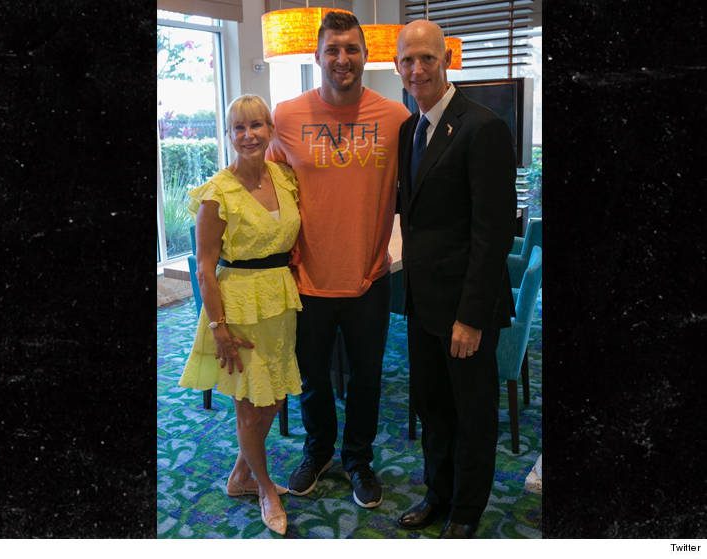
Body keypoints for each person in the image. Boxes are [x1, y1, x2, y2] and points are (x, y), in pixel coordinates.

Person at [266, 12, 410, 509]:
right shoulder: (286, 115)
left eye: (351, 49)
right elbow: (271, 193)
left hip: (370, 277)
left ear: (367, 56)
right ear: (318, 56)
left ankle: (359, 460)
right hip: (306, 278)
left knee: (367, 379)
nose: (342, 59)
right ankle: (318, 451)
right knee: (313, 380)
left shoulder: (396, 118)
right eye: (333, 49)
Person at [393, 20, 517, 538]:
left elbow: (493, 235)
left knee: (472, 414)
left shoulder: (482, 127)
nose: (417, 69)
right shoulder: (409, 129)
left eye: (428, 58)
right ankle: (437, 494)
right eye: (408, 60)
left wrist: (470, 317)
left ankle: (466, 511)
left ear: (447, 61)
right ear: (397, 66)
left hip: (466, 310)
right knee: (433, 408)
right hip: (422, 304)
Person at [179, 94, 303, 536]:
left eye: (257, 125)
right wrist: (219, 328)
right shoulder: (218, 193)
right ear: (229, 135)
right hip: (239, 305)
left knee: (275, 394)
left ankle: (240, 476)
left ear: (271, 129)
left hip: (280, 299)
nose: (249, 135)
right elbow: (205, 268)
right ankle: (265, 487)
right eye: (239, 128)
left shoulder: (283, 176)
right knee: (250, 406)